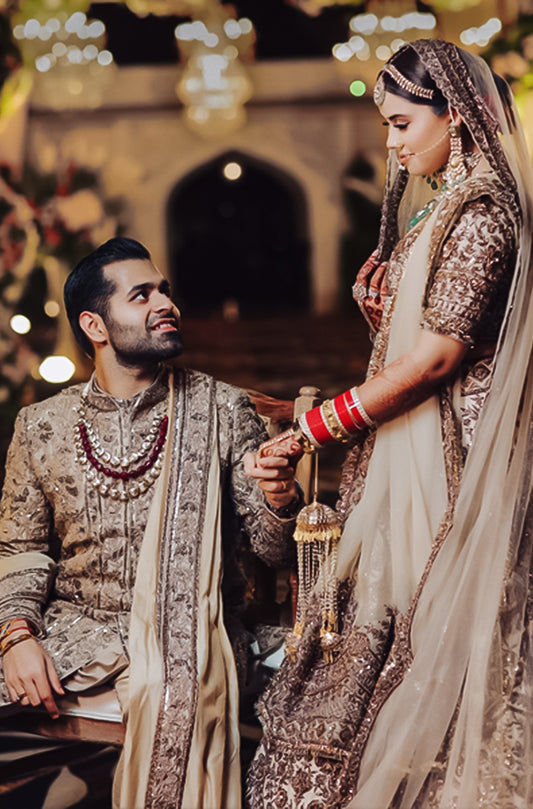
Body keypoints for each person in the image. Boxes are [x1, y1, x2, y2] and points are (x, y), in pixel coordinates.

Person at [246, 39, 533, 808]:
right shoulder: (443, 208)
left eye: (404, 122)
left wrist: (319, 426)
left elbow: (439, 357)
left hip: (455, 472)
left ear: (458, 116)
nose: (393, 142)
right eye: (386, 126)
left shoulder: (482, 210)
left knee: (436, 668)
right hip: (417, 455)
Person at [0, 236, 303, 809]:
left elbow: (274, 552)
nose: (166, 303)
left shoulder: (220, 409)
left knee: (168, 691)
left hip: (193, 637)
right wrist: (16, 637)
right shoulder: (40, 426)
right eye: (141, 295)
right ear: (96, 325)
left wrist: (279, 498)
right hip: (75, 636)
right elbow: (19, 549)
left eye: (164, 290)